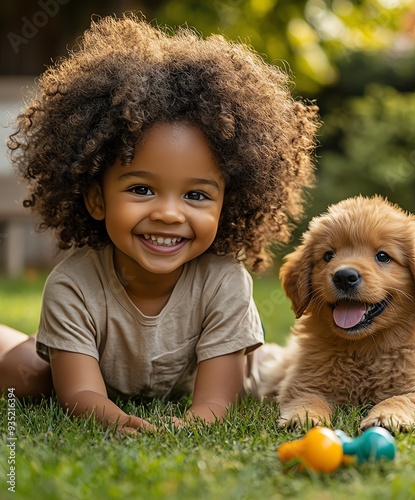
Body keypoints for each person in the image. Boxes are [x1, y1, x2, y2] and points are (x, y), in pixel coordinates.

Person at [0, 14, 319, 432]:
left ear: (228, 204)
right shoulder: (73, 285)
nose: (169, 213)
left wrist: (194, 421)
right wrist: (114, 418)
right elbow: (80, 394)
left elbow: (217, 401)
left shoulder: (223, 282)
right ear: (96, 198)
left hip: (214, 370)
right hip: (94, 374)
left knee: (261, 367)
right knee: (20, 374)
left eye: (196, 195)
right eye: (142, 190)